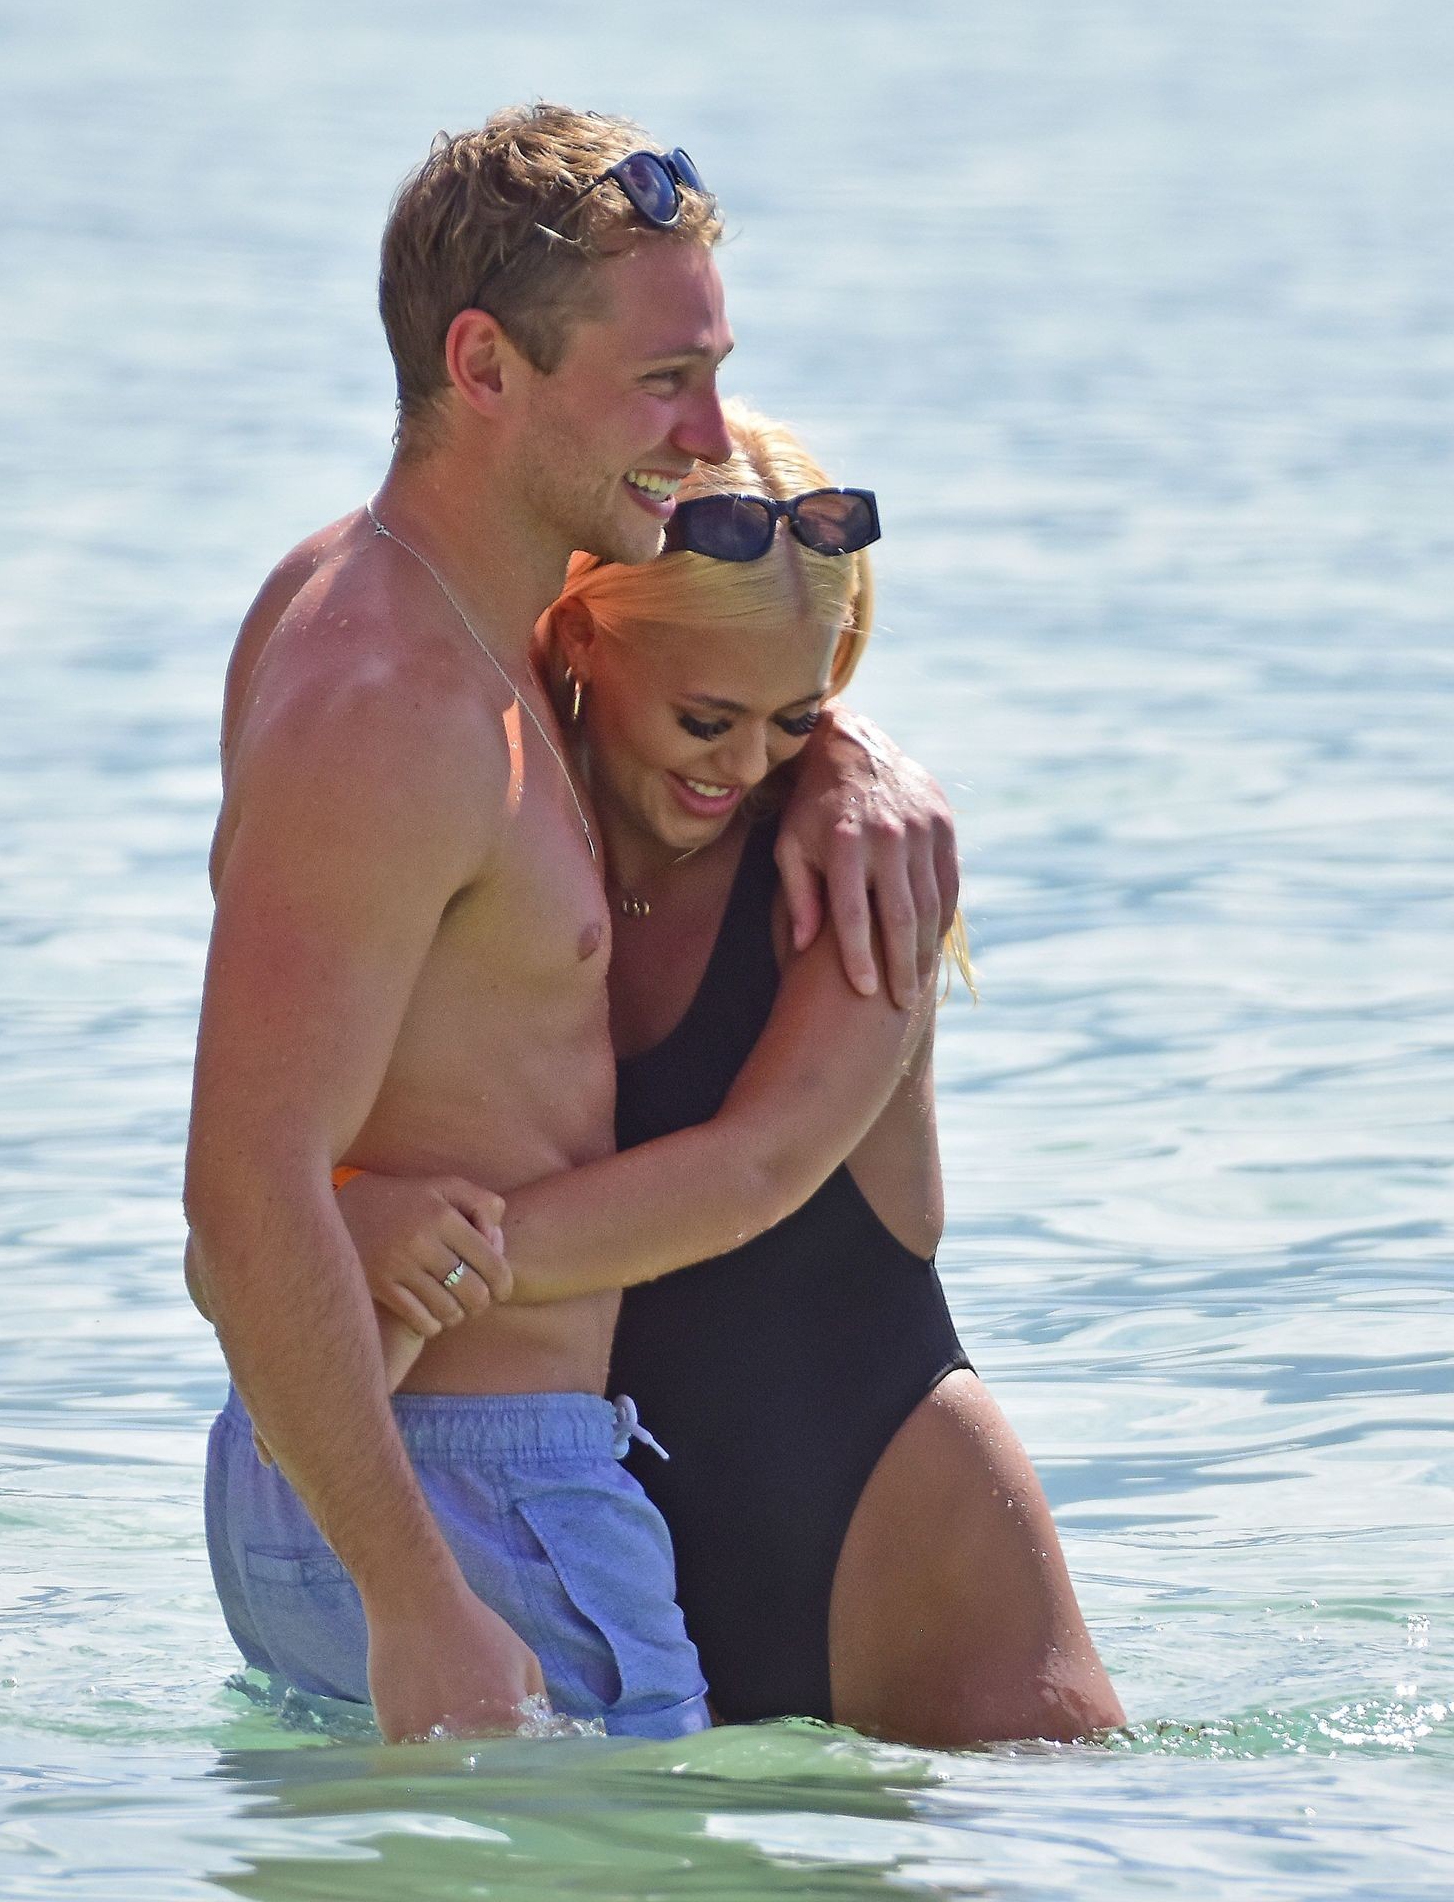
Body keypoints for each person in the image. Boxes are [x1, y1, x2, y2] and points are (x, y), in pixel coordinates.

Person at [185, 104, 962, 1746]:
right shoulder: (397, 703)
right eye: (664, 380)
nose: (708, 433)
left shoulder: (388, 603)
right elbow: (242, 1194)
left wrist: (846, 752)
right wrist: (415, 1601)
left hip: (347, 1472)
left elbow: (689, 658)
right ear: (483, 366)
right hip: (467, 1505)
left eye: (715, 373)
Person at [335, 404, 1125, 1746]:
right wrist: (345, 1220)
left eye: (797, 719)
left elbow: (756, 1167)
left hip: (902, 1558)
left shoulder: (859, 872)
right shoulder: (488, 827)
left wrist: (430, 1266)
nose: (749, 766)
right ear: (583, 639)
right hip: (608, 1567)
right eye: (708, 720)